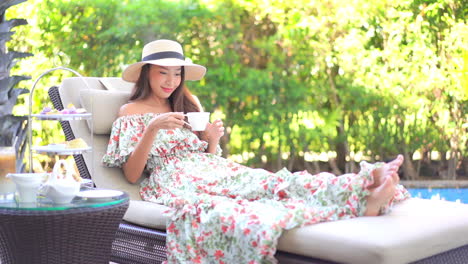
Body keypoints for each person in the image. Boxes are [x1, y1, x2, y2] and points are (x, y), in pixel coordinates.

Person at [103, 39, 410, 264]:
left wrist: (211, 139)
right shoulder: (130, 112)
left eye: (177, 73)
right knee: (256, 195)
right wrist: (152, 128)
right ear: (147, 73)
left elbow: (209, 157)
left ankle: (361, 188)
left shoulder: (186, 106)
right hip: (174, 180)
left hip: (210, 168)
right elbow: (132, 176)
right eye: (163, 73)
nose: (171, 81)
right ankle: (361, 195)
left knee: (272, 181)